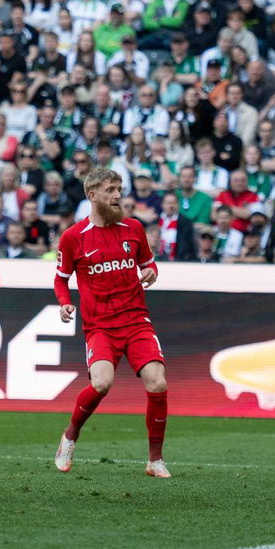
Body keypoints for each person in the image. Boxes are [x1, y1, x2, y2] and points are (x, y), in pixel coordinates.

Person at [53, 168, 171, 477]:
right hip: (100, 326)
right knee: (101, 383)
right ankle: (70, 435)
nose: (118, 195)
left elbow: (149, 265)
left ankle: (155, 459)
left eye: (119, 189)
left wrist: (152, 272)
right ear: (92, 196)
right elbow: (61, 279)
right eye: (110, 190)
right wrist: (64, 303)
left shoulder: (134, 228)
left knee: (157, 382)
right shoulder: (73, 237)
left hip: (136, 320)